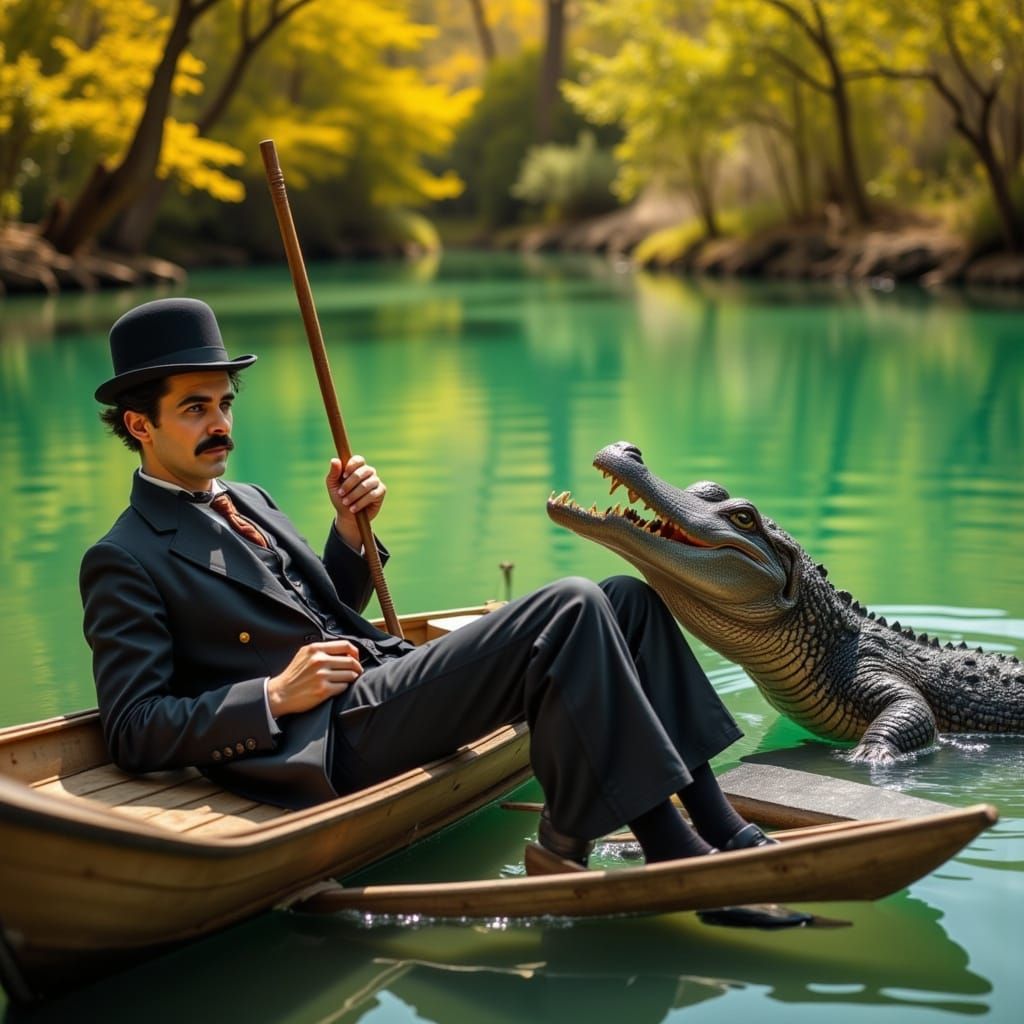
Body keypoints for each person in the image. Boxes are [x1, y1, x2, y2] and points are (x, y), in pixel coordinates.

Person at [81, 297, 774, 867]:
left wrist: (353, 534)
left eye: (225, 404)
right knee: (570, 604)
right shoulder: (125, 555)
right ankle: (663, 846)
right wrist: (272, 695)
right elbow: (133, 730)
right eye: (196, 409)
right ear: (141, 424)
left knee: (627, 600)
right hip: (326, 740)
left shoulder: (251, 499)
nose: (221, 425)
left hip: (379, 686)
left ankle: (717, 822)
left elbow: (317, 614)